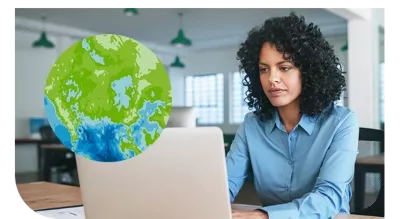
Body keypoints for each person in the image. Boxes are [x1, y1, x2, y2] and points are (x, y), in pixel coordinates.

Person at [227, 13, 360, 219]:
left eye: (284, 68)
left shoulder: (341, 122)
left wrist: (265, 216)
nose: (272, 79)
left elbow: (328, 199)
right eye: (264, 69)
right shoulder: (251, 126)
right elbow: (223, 186)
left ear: (307, 71)